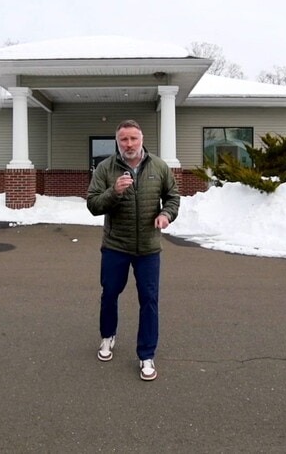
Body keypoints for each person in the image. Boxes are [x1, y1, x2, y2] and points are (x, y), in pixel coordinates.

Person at [86, 119, 180, 381]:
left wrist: (166, 214)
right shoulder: (105, 168)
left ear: (141, 139)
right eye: (124, 139)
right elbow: (93, 205)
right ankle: (108, 336)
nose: (129, 144)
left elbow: (172, 197)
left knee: (149, 300)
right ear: (117, 142)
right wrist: (114, 192)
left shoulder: (159, 167)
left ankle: (146, 354)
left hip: (149, 248)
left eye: (133, 138)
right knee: (110, 294)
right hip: (115, 246)